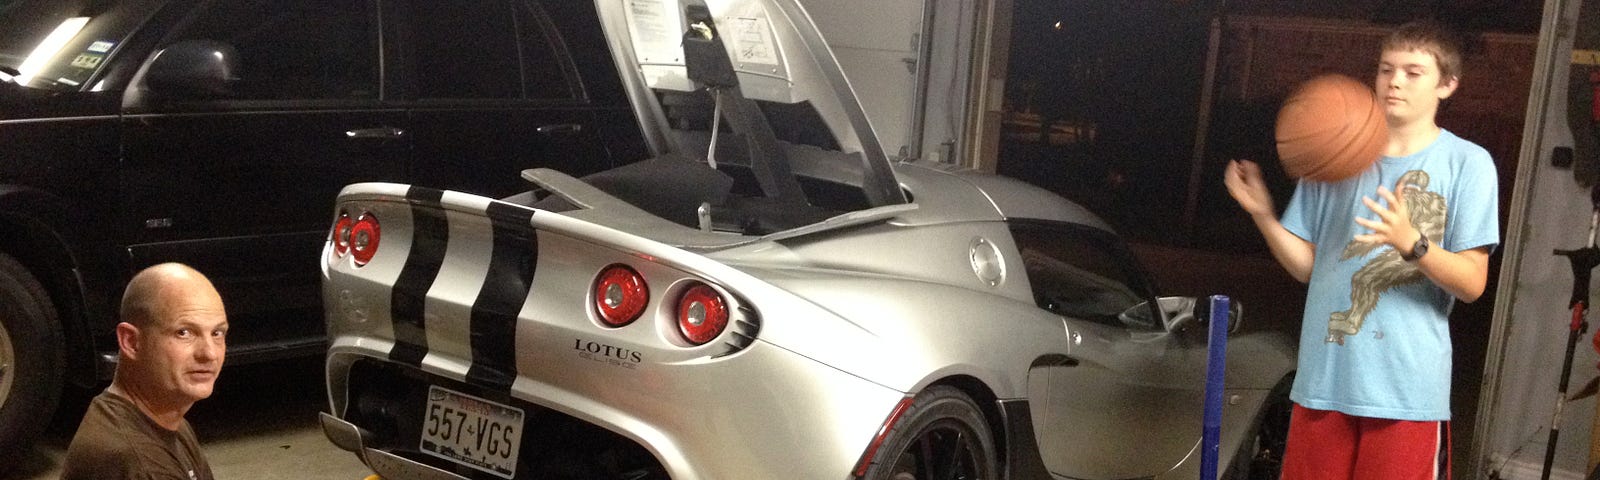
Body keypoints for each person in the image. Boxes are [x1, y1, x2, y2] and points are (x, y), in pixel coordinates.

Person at [1223, 20, 1499, 480]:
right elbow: (1308, 267)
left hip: (1405, 393)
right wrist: (1264, 215)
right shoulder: (1333, 154)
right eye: (1386, 69)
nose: (1394, 81)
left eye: (1413, 72)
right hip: (1323, 384)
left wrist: (1413, 243)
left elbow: (1472, 284)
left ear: (1447, 85)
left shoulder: (1467, 164)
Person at [62, 263, 228, 480]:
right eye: (184, 332)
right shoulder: (137, 461)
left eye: (217, 333)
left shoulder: (164, 417)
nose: (209, 353)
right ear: (131, 341)